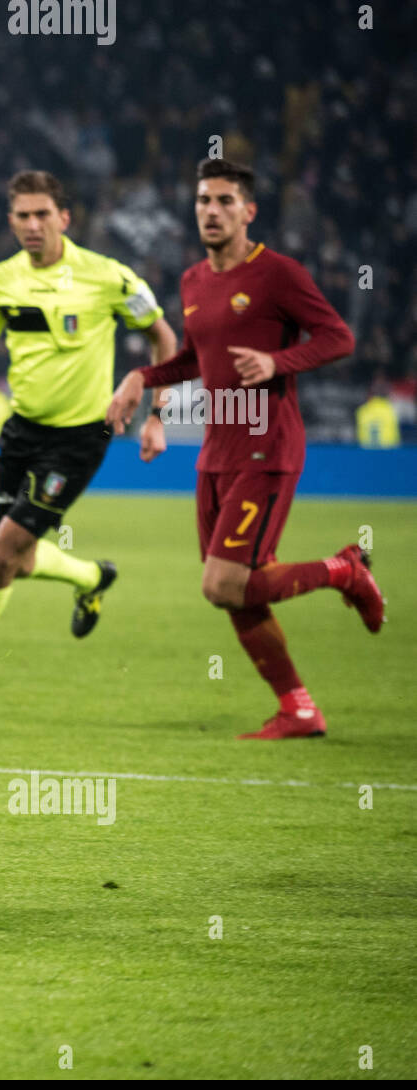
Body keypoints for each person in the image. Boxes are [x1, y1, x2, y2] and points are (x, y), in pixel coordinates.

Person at [107, 158, 382, 740]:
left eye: (225, 201)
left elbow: (339, 337)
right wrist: (142, 382)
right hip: (216, 452)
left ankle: (345, 571)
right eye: (204, 200)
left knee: (221, 582)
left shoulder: (278, 274)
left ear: (248, 212)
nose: (211, 210)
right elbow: (193, 360)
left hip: (267, 448)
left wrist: (278, 362)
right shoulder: (191, 281)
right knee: (235, 592)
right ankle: (298, 708)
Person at [0, 171, 176, 716]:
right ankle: (93, 576)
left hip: (79, 439)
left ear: (65, 218)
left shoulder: (108, 277)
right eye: (22, 215)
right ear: (11, 221)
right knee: (11, 565)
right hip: (22, 432)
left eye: (43, 214)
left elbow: (164, 338)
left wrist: (156, 413)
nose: (32, 224)